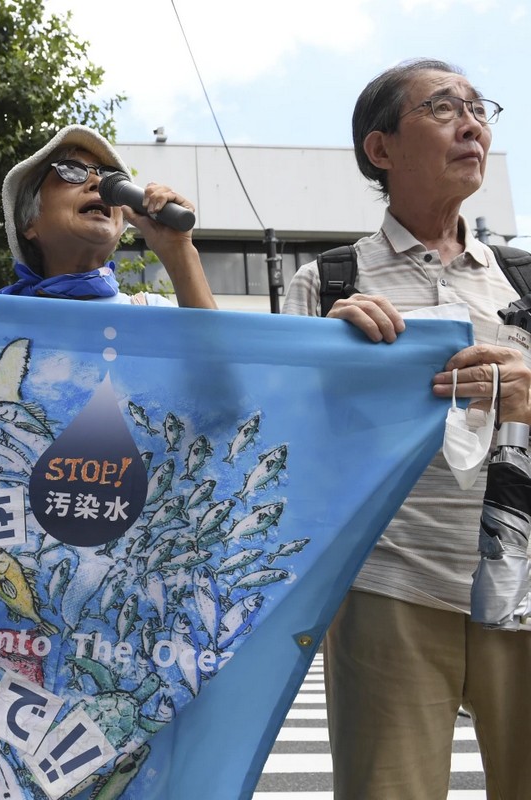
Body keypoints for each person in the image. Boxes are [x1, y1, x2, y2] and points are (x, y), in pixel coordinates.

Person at [282, 58, 531, 799]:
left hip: (521, 583)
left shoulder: (522, 281)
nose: (472, 123)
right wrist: (326, 357)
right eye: (443, 106)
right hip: (386, 585)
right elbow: (276, 440)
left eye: (479, 107)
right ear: (380, 148)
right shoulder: (327, 284)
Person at [0, 124, 216, 309]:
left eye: (110, 177)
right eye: (71, 171)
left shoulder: (150, 312)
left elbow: (221, 358)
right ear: (28, 222)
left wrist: (179, 250)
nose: (99, 183)